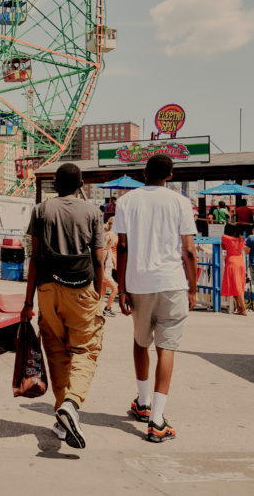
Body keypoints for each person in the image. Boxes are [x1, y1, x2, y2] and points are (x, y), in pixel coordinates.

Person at [21, 162, 105, 449]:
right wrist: (100, 298)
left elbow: (34, 258)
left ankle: (61, 418)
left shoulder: (41, 211)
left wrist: (27, 301)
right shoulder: (93, 212)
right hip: (81, 288)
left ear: (54, 185)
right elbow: (100, 260)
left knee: (56, 350)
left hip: (47, 288)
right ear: (81, 185)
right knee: (85, 350)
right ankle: (71, 403)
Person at [115, 154, 198, 444]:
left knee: (140, 342)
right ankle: (157, 420)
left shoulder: (126, 201)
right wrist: (193, 287)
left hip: (138, 284)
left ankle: (142, 401)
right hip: (172, 282)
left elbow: (122, 247)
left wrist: (121, 288)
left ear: (144, 172)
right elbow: (188, 250)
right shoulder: (180, 202)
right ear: (171, 176)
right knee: (167, 348)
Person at [220, 223, 248, 315]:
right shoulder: (242, 238)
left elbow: (223, 246)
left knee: (236, 286)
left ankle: (243, 309)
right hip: (240, 262)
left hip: (231, 262)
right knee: (239, 284)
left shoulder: (225, 237)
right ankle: (239, 308)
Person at [102, 216, 119, 316]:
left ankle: (100, 309)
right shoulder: (106, 250)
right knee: (115, 289)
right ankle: (107, 308)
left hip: (108, 269)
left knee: (102, 292)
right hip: (106, 272)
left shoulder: (108, 250)